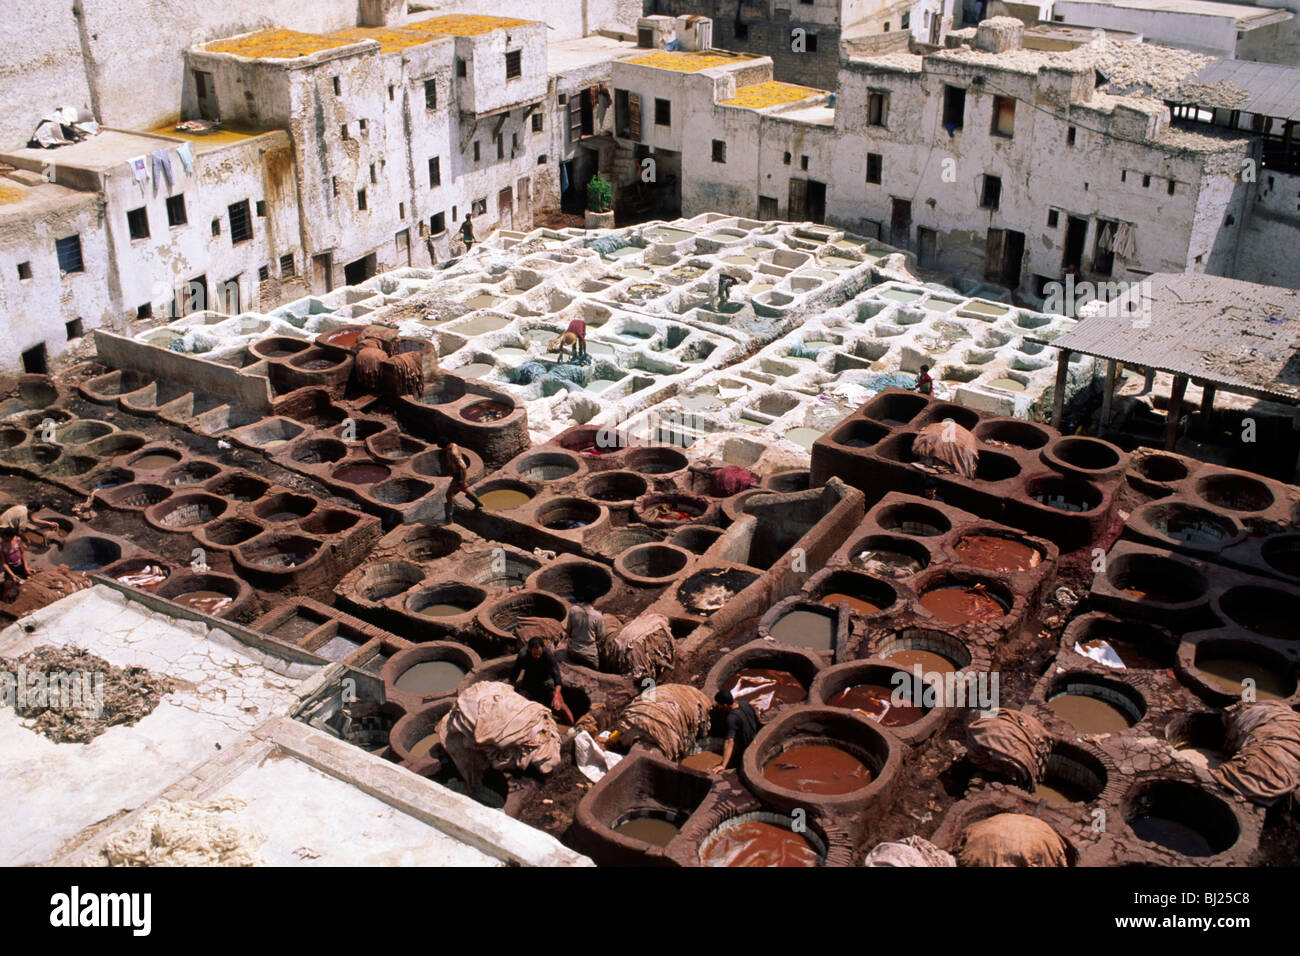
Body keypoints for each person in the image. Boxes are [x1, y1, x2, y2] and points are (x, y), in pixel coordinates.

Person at [510, 636, 576, 724]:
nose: (537, 656)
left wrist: (556, 695)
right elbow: (515, 672)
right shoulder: (523, 655)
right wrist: (511, 687)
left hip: (546, 677)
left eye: (539, 654)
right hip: (530, 678)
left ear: (543, 649)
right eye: (535, 654)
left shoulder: (548, 654)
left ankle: (572, 725)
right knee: (521, 703)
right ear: (529, 650)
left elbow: (557, 677)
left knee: (560, 704)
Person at [711, 688, 759, 774]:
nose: (718, 706)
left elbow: (729, 741)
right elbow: (757, 714)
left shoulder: (732, 718)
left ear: (725, 705)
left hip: (745, 748)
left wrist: (723, 765)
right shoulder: (745, 703)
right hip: (754, 740)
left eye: (719, 704)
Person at [438, 438, 483, 522]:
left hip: (458, 475)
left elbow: (464, 467)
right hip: (457, 474)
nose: (443, 450)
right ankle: (478, 503)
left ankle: (449, 519)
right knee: (464, 489)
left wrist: (464, 480)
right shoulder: (454, 445)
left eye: (443, 448)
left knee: (448, 495)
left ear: (447, 446)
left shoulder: (453, 453)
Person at [564, 589, 604, 670]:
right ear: (595, 600)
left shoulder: (573, 610)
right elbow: (600, 636)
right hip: (589, 655)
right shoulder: (598, 616)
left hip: (573, 651)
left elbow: (568, 630)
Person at [2, 530, 29, 600]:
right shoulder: (2, 546)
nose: (3, 539)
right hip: (10, 567)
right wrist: (13, 575)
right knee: (7, 585)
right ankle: (5, 601)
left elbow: (23, 554)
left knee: (29, 580)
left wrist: (26, 568)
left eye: (12, 537)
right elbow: (4, 563)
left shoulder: (17, 540)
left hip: (20, 565)